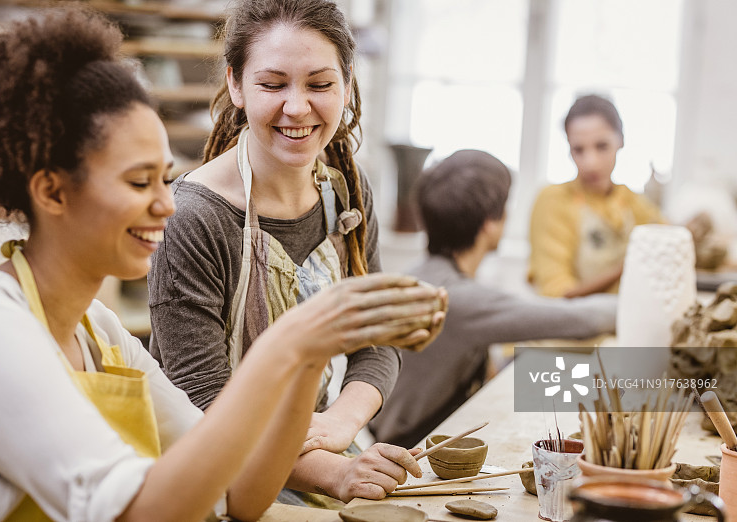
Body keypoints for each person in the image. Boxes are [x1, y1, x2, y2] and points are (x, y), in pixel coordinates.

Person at [0, 9, 446, 520]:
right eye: (140, 183)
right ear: (51, 190)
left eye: (164, 178)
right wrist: (291, 346)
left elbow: (235, 487)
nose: (167, 204)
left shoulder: (103, 334)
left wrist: (308, 361)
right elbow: (139, 511)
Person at [147, 0, 446, 506]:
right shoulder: (194, 218)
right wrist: (334, 472)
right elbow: (203, 404)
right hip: (213, 480)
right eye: (273, 84)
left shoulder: (346, 191)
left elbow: (376, 343)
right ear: (236, 85)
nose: (297, 107)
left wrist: (337, 425)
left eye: (319, 84)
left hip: (320, 447)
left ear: (347, 85)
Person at [369, 150, 618, 449]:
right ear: (490, 223)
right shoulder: (454, 298)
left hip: (400, 430)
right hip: (407, 445)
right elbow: (583, 320)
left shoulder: (426, 275)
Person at [528, 94, 664, 298]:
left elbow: (668, 240)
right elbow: (558, 295)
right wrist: (626, 266)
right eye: (578, 149)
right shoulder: (553, 201)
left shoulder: (632, 202)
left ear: (621, 141)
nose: (590, 163)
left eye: (602, 146)